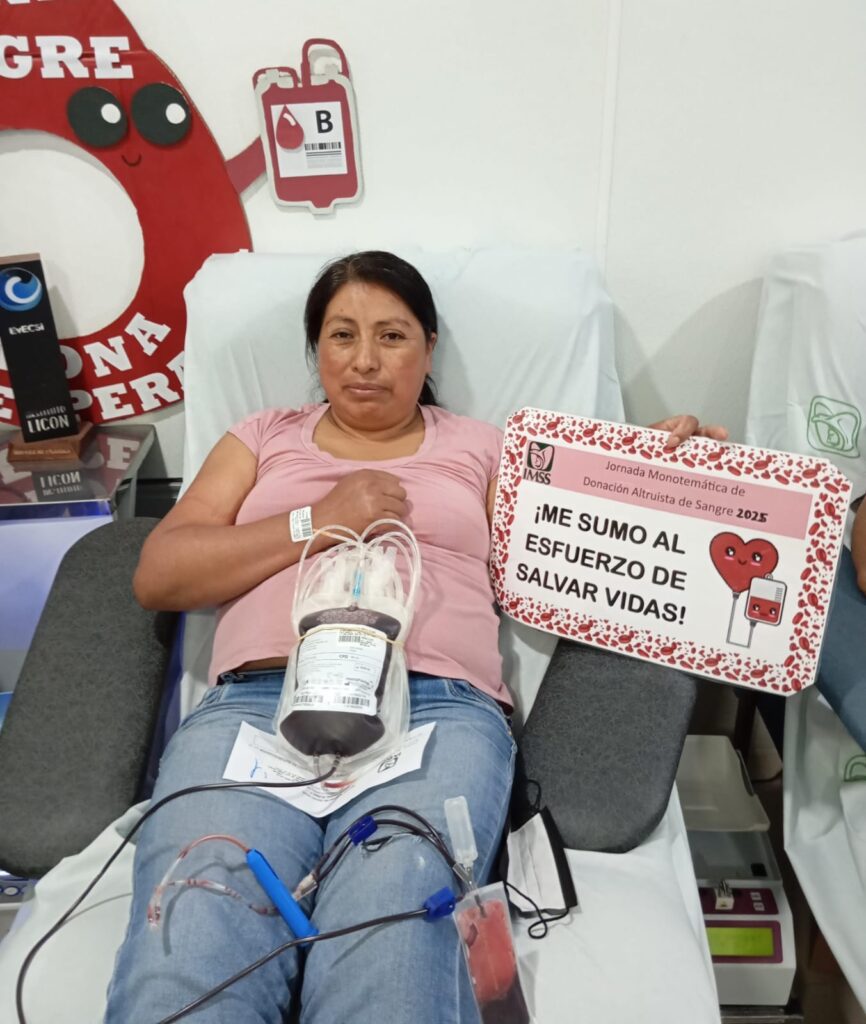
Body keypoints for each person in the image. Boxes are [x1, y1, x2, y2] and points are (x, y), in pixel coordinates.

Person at [105, 251, 726, 1023]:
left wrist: (672, 483)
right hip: (258, 709)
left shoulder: (484, 448)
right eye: (342, 335)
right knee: (199, 917)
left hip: (435, 712)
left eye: (392, 336)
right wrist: (317, 520)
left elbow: (586, 552)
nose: (365, 360)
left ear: (429, 349)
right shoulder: (263, 438)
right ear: (316, 350)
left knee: (394, 923)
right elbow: (159, 573)